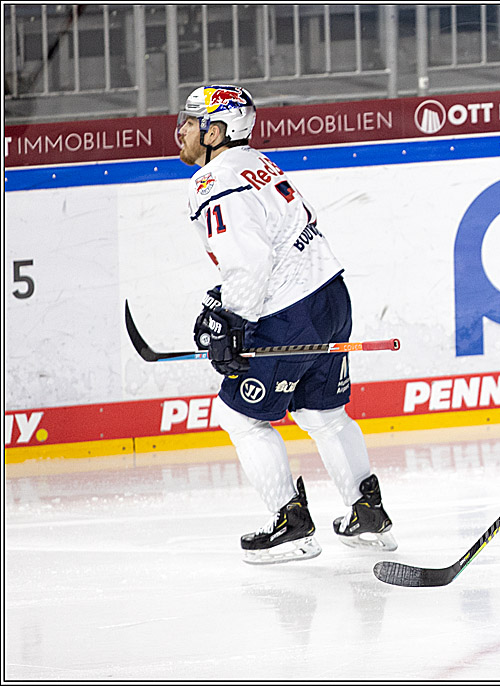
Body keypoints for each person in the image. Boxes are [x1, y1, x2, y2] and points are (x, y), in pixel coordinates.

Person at [177, 84, 397, 565]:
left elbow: (248, 263)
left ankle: (291, 524)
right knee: (323, 414)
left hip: (288, 313)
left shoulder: (214, 181)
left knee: (240, 416)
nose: (182, 131)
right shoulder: (257, 164)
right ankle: (368, 514)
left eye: (191, 123)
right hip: (330, 296)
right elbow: (274, 248)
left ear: (215, 132)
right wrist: (228, 303)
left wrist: (232, 320)